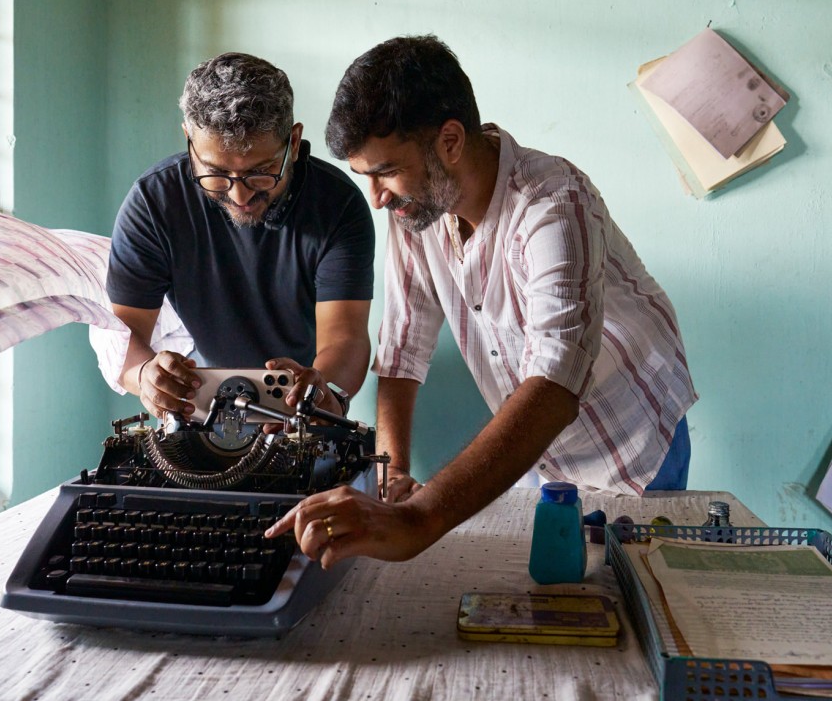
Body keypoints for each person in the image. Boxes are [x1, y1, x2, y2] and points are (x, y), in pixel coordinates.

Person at [266, 35, 696, 567]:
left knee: (633, 590)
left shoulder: (553, 202)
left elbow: (555, 385)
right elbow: (402, 351)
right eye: (365, 177)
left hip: (632, 442)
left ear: (450, 141)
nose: (376, 198)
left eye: (385, 171)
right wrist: (393, 472)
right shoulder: (416, 207)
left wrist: (419, 518)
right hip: (540, 451)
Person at [107, 53, 375, 424]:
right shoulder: (153, 203)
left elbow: (345, 337)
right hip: (196, 414)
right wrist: (143, 375)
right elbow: (122, 333)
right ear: (188, 140)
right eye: (215, 174)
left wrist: (325, 390)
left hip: (302, 415)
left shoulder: (338, 205)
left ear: (294, 143)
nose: (239, 196)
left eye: (261, 173)